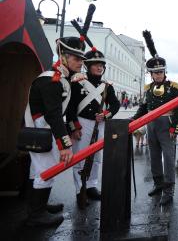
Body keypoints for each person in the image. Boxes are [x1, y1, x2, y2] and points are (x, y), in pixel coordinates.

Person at [25, 37, 86, 226]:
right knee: (46, 170)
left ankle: (38, 207)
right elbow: (54, 115)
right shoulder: (52, 80)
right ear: (64, 57)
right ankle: (36, 215)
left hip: (43, 129)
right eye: (76, 58)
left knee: (37, 171)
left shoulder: (59, 78)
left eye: (81, 58)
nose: (81, 62)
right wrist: (65, 145)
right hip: (43, 130)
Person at [132, 30, 178, 206]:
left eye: (161, 72)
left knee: (169, 159)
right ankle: (158, 184)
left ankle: (169, 190)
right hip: (151, 125)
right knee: (153, 157)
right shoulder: (148, 88)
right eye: (155, 73)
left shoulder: (173, 87)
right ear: (151, 74)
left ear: (164, 71)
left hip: (167, 124)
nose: (158, 75)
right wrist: (133, 120)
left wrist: (175, 128)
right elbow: (143, 107)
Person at [67, 50, 120, 208]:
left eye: (101, 65)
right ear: (88, 66)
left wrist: (106, 115)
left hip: (100, 125)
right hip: (82, 123)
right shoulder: (78, 83)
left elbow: (115, 105)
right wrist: (74, 127)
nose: (99, 67)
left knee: (96, 157)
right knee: (80, 158)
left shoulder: (106, 86)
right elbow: (70, 108)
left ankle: (91, 186)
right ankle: (80, 189)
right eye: (96, 65)